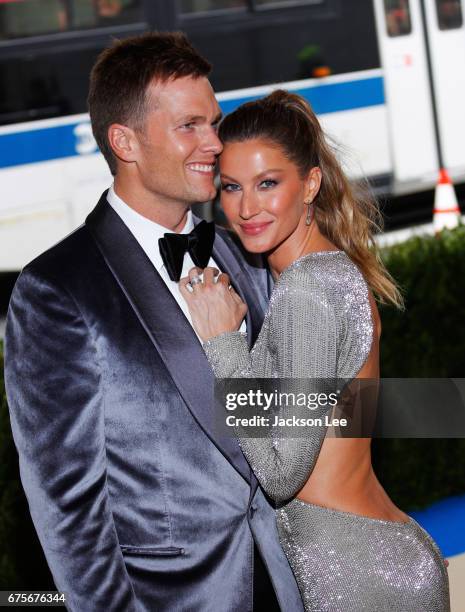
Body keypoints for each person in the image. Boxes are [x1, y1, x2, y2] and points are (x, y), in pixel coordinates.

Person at [4, 34, 304, 611]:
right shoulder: (58, 290)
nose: (215, 143)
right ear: (126, 142)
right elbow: (68, 509)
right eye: (190, 126)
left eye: (214, 123)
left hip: (289, 579)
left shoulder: (242, 252)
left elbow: (289, 415)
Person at [180, 90, 451, 611]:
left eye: (267, 184)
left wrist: (223, 348)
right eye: (231, 187)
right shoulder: (330, 275)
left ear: (310, 184)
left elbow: (283, 476)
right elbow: (342, 424)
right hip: (375, 559)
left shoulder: (309, 292)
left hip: (359, 577)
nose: (245, 207)